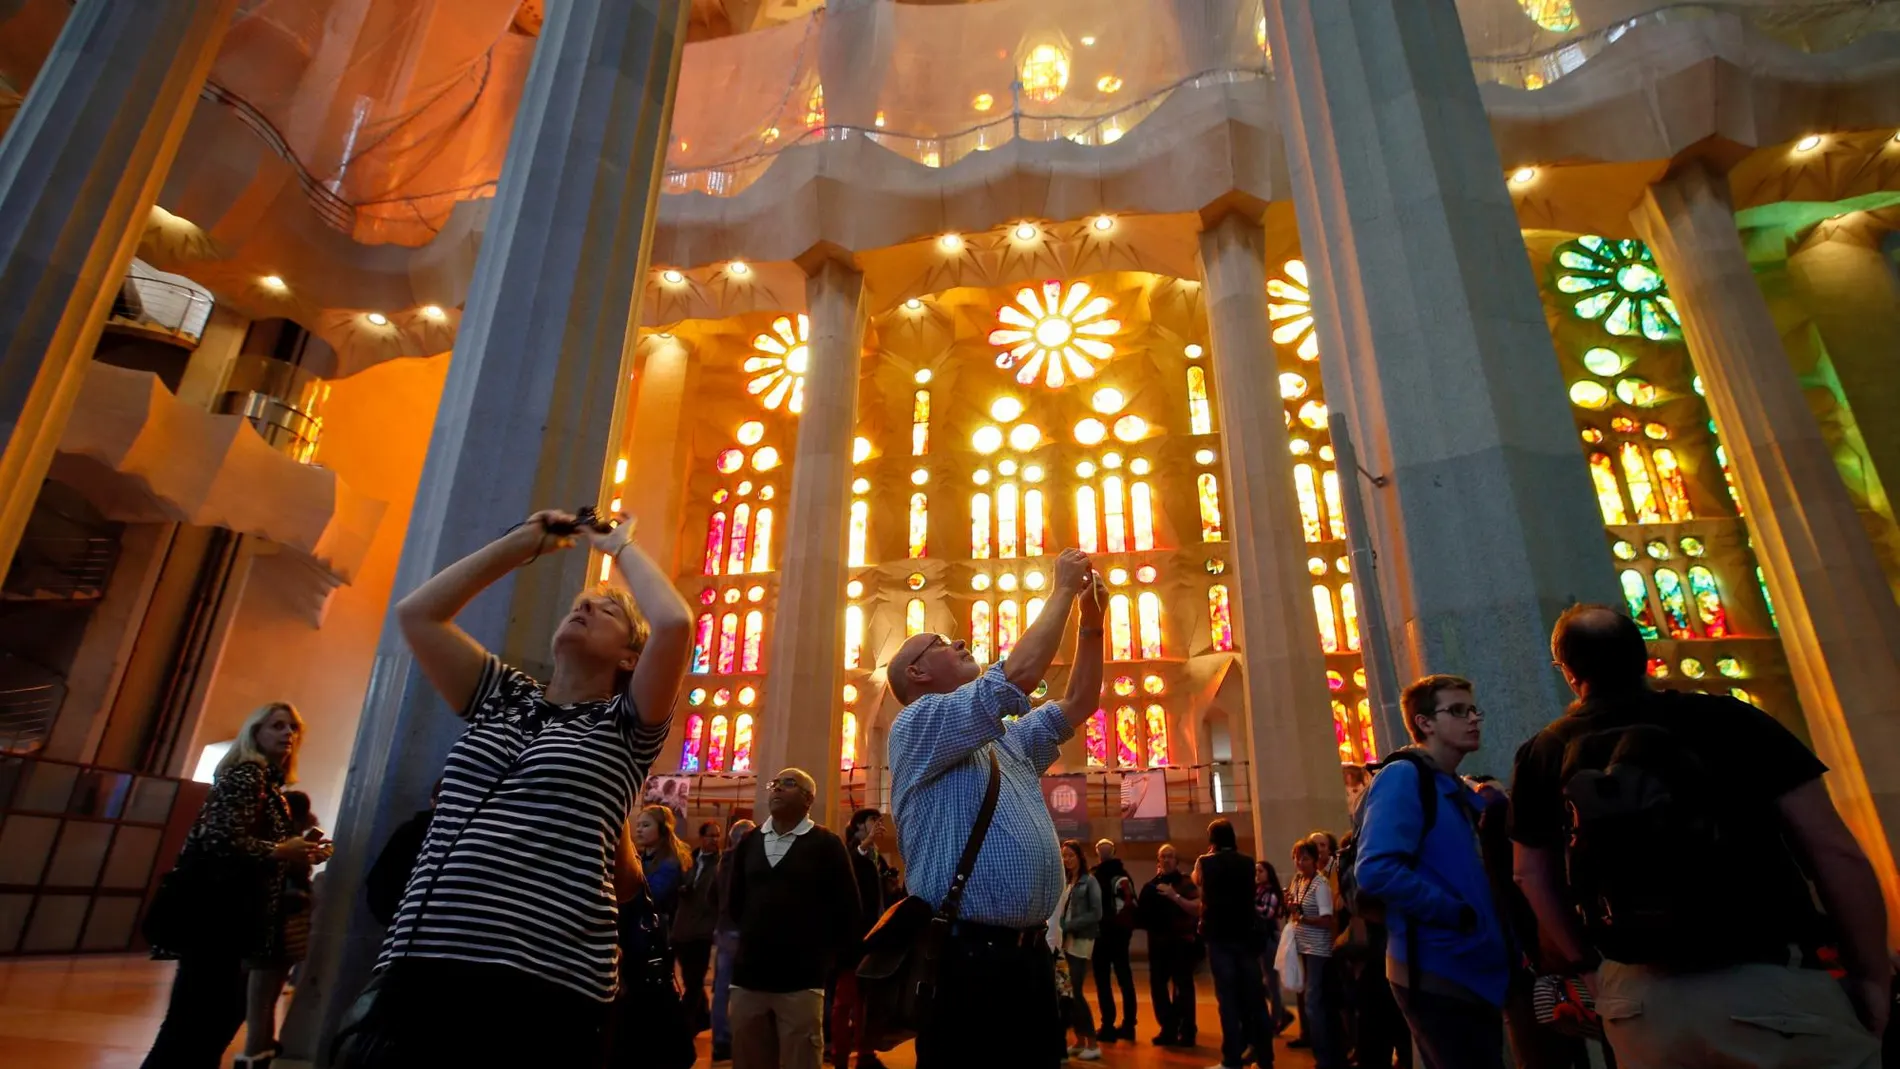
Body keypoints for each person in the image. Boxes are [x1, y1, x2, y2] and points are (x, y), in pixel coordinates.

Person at [357, 508, 692, 1065]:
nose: (583, 606)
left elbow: (676, 625)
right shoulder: (504, 695)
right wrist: (526, 543)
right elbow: (418, 615)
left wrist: (620, 546)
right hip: (427, 950)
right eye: (578, 604)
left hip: (545, 971)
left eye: (605, 610)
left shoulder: (623, 722)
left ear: (631, 656)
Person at [1513, 605, 1889, 1069]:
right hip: (1766, 984)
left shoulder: (1542, 752)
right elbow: (1833, 852)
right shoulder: (1729, 720)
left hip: (1639, 1003)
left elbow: (1529, 873)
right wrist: (1871, 974)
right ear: (1644, 655)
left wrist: (1587, 966)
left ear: (1568, 672)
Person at [886, 548, 1106, 1069]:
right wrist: (1062, 591)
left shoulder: (1001, 742)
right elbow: (1020, 674)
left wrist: (1092, 623)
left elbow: (1079, 702)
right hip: (966, 962)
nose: (960, 642)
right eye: (941, 643)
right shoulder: (918, 725)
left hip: (1026, 959)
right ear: (917, 673)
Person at [143, 702, 329, 1069]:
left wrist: (296, 851)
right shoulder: (247, 775)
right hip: (217, 919)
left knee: (212, 1021)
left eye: (293, 728)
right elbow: (220, 841)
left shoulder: (269, 785)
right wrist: (280, 850)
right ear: (254, 732)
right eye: (277, 725)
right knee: (194, 1022)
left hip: (234, 921)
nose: (287, 734)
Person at [1354, 675, 1510, 1069]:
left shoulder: (1453, 787)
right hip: (1437, 966)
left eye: (1474, 710)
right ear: (1424, 723)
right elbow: (1375, 869)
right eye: (1457, 711)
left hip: (1474, 965)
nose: (1473, 719)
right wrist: (1456, 914)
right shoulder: (1404, 777)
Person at [727, 768, 862, 1069]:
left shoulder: (826, 844)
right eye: (774, 783)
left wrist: (829, 958)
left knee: (801, 1059)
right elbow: (734, 901)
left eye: (788, 783)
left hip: (801, 978)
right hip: (750, 976)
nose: (777, 788)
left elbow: (847, 908)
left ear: (808, 798)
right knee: (749, 1058)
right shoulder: (750, 841)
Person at [1193, 819, 1275, 1069]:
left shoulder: (1206, 862)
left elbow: (1197, 881)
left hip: (1219, 937)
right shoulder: (1248, 862)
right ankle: (1264, 1057)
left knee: (1227, 999)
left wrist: (1206, 858)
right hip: (1245, 936)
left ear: (1212, 840)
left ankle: (1231, 1059)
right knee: (1255, 998)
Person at [830, 808, 888, 1069]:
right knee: (844, 1001)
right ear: (858, 827)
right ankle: (839, 1055)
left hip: (873, 938)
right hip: (852, 940)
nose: (877, 824)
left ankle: (865, 1053)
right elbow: (855, 860)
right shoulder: (851, 852)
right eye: (872, 820)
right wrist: (866, 844)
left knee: (866, 1001)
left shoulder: (876, 855)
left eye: (879, 820)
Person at [1139, 843, 1203, 1048]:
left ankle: (1187, 1031)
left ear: (1176, 860)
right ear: (1158, 861)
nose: (1166, 860)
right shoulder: (1151, 885)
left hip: (1181, 945)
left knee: (1183, 988)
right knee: (1158, 988)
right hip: (1158, 945)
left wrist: (1174, 896)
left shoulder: (1185, 883)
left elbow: (1197, 908)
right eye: (1162, 857)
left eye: (1170, 856)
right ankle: (1168, 1027)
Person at [1288, 839, 1341, 1068]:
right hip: (1302, 947)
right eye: (1297, 858)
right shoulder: (1298, 881)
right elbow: (1295, 909)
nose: (1300, 862)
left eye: (1305, 858)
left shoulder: (1320, 884)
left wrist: (1304, 918)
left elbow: (1327, 920)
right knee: (1310, 1001)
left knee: (1313, 1002)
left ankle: (1324, 1058)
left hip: (1318, 949)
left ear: (1315, 860)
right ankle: (1321, 1051)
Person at [364, 779, 438, 927]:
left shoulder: (410, 831)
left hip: (404, 927)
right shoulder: (412, 832)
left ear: (432, 801)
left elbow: (378, 883)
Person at [1056, 839, 1105, 1061]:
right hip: (1065, 941)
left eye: (1071, 855)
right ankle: (1079, 1040)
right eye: (1064, 856)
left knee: (1076, 991)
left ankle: (1093, 1043)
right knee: (1067, 992)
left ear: (1080, 857)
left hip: (1081, 941)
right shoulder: (1067, 881)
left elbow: (1096, 913)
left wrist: (1068, 925)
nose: (1067, 860)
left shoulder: (1089, 881)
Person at [712, 818, 756, 1063]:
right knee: (746, 989)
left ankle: (721, 1041)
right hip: (742, 930)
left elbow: (712, 895)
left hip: (723, 929)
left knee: (721, 989)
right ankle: (743, 1039)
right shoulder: (748, 863)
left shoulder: (723, 861)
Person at [675, 820, 724, 1035]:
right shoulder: (689, 860)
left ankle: (684, 1026)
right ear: (702, 837)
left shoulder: (720, 864)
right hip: (682, 928)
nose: (714, 840)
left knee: (695, 981)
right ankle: (703, 1017)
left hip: (704, 930)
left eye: (717, 836)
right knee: (688, 977)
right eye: (710, 835)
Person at [1092, 838, 1140, 1042]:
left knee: (1103, 981)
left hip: (1102, 935)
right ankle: (1129, 1026)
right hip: (1121, 935)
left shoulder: (1095, 876)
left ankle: (1108, 1026)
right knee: (1125, 979)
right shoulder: (1123, 874)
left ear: (1098, 853)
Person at [636, 803, 692, 928]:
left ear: (662, 829)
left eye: (645, 825)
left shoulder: (671, 862)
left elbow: (653, 896)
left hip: (658, 930)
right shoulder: (640, 858)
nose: (639, 829)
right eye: (638, 825)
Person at [1254, 860, 1294, 1036]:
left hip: (1269, 940)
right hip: (1260, 940)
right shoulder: (1258, 891)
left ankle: (1276, 1018)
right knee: (1261, 983)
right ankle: (1282, 1013)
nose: (1257, 874)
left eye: (1260, 871)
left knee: (1271, 982)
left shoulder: (1271, 892)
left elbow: (1267, 913)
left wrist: (1249, 906)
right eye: (1255, 871)